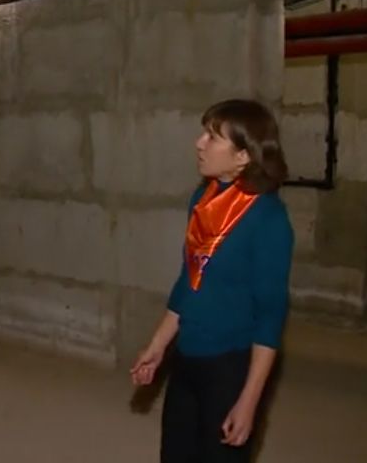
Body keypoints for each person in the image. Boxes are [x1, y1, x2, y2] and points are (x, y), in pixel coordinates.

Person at [130, 99, 293, 463]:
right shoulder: (201, 200)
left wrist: (249, 402)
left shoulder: (268, 219)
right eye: (204, 133)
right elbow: (190, 280)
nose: (199, 143)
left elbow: (270, 319)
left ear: (243, 156)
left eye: (213, 137)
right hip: (187, 356)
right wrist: (157, 346)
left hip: (229, 366)